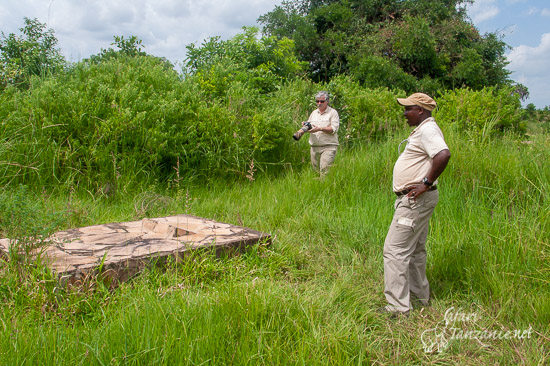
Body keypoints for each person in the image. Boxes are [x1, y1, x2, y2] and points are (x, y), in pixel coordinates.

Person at [381, 92, 451, 317]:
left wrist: (425, 183)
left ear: (420, 110)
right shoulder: (424, 129)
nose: (404, 113)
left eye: (408, 109)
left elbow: (443, 154)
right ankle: (420, 298)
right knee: (415, 250)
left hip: (414, 200)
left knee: (395, 250)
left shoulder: (428, 129)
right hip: (417, 200)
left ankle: (398, 308)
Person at [304, 91, 339, 175]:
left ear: (327, 101)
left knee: (324, 172)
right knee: (315, 172)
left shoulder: (333, 113)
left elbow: (334, 129)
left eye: (322, 101)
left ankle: (326, 187)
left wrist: (320, 128)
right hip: (314, 147)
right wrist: (306, 125)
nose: (319, 103)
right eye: (317, 101)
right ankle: (317, 188)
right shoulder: (314, 113)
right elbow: (310, 125)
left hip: (328, 147)